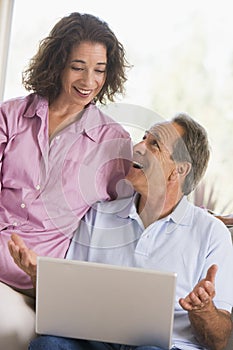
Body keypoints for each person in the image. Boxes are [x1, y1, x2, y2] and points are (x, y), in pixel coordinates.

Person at [9, 113, 233, 350]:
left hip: (165, 348)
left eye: (154, 144)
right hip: (95, 341)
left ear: (179, 170)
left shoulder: (212, 234)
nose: (137, 147)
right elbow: (68, 300)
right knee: (48, 345)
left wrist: (204, 310)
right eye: (143, 138)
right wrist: (38, 276)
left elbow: (218, 341)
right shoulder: (99, 214)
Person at [0, 12, 133, 350]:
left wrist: (201, 216)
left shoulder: (112, 143)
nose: (89, 80)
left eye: (100, 70)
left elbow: (139, 209)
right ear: (57, 63)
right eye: (78, 66)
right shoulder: (11, 116)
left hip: (30, 282)